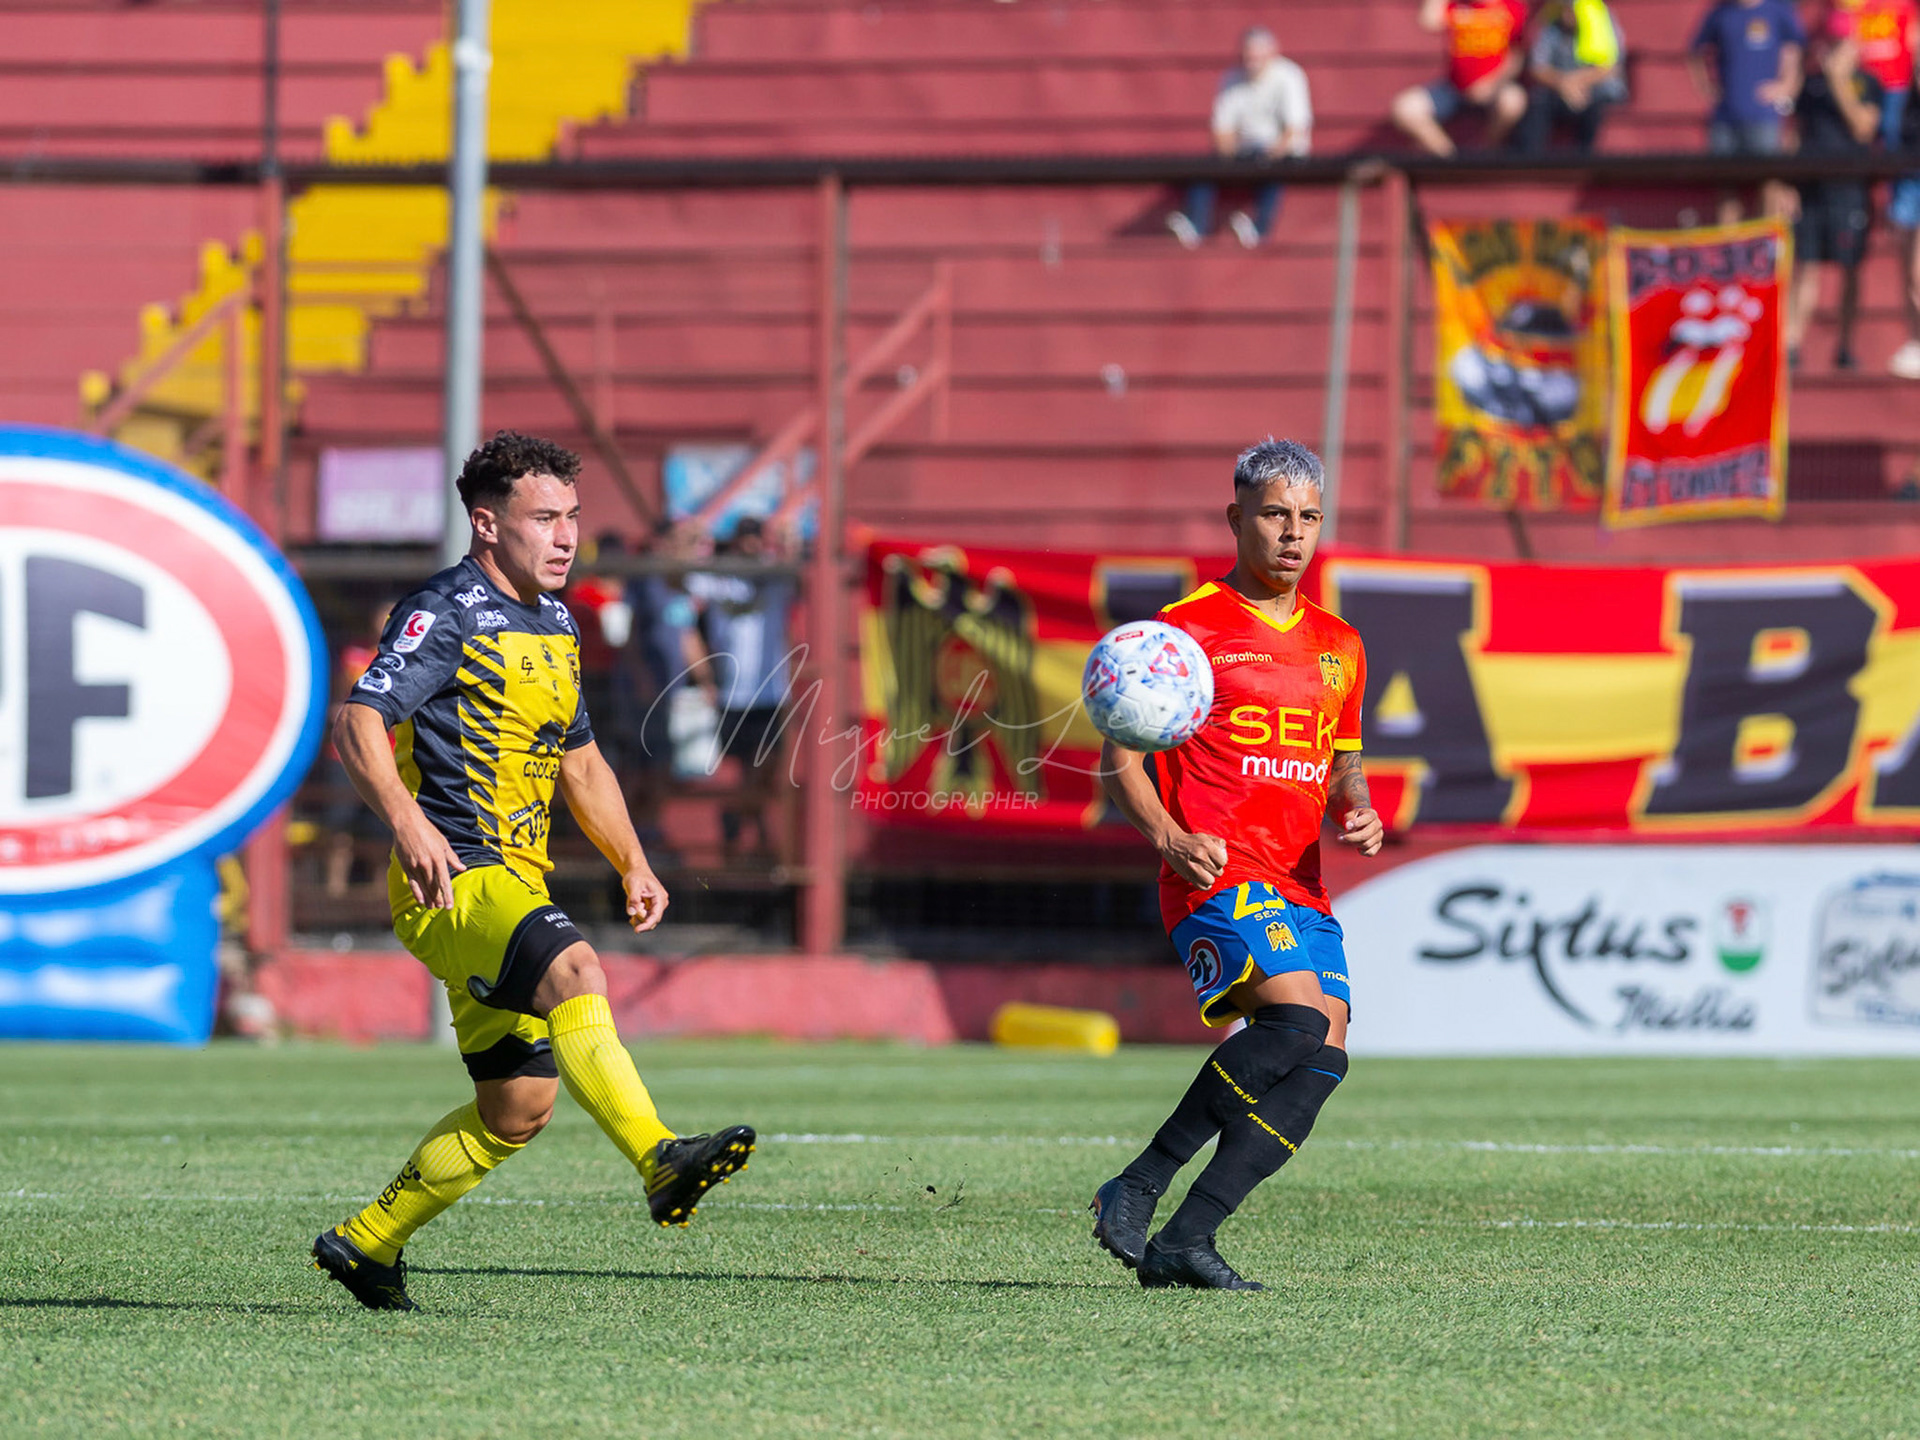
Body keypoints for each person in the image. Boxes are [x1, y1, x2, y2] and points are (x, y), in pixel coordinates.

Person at [311, 432, 755, 1312]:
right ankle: (660, 1159)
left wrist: (634, 860)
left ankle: (365, 1243)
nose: (565, 537)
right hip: (453, 877)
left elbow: (581, 762)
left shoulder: (556, 622)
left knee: (517, 1108)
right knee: (575, 970)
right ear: (487, 524)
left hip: (515, 880)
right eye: (544, 518)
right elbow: (357, 723)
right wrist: (408, 825)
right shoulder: (445, 611)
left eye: (573, 518)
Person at [1088, 439, 1382, 1291]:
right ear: (1236, 519)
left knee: (1324, 1054)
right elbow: (1123, 759)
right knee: (1291, 1027)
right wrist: (1170, 840)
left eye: (1308, 517)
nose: (1293, 533)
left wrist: (1353, 806)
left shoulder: (1340, 644)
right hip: (1216, 872)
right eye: (1275, 514)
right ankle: (1137, 1181)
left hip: (1300, 884)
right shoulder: (1181, 632)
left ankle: (1187, 1239)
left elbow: (1341, 758)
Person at [685, 516, 797, 862]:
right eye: (743, 543)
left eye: (755, 542)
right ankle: (753, 834)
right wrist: (695, 538)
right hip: (732, 694)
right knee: (743, 770)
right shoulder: (720, 579)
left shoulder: (775, 578)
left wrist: (788, 539)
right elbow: (683, 576)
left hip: (772, 694)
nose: (749, 549)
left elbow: (801, 570)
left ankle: (740, 818)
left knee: (769, 771)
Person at [1821, 0, 1920, 376]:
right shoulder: (1856, 7)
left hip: (1899, 90)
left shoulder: (1906, 10)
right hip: (1871, 91)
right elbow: (1840, 30)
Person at [1786, 34, 1885, 369]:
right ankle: (1792, 345)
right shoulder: (1810, 86)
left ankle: (1845, 347)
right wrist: (1786, 184)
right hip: (1811, 188)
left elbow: (1863, 128)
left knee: (1850, 268)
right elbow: (1795, 135)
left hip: (1849, 189)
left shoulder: (1868, 84)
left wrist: (1839, 80)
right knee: (1805, 266)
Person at [1168, 27, 1312, 250]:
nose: (1251, 62)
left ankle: (1259, 228)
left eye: (1257, 56)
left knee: (1272, 169)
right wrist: (1229, 156)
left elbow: (1294, 130)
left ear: (1272, 54)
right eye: (1247, 56)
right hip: (1245, 151)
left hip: (1282, 153)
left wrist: (1270, 154)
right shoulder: (1232, 78)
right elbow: (1221, 130)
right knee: (1203, 168)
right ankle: (1195, 226)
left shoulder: (1289, 76)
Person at [1391, 0, 1531, 158]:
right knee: (1405, 108)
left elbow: (1517, 55)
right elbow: (1428, 20)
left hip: (1494, 87)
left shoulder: (1512, 7)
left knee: (1513, 101)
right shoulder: (1457, 5)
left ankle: (1485, 152)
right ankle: (1449, 157)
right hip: (1454, 87)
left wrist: (1492, 84)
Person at [1689, 0, 1806, 155]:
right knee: (1722, 174)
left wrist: (1786, 85)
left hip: (1763, 116)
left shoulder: (1778, 10)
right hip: (1725, 116)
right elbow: (1695, 51)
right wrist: (1706, 86)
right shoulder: (1720, 12)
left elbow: (1793, 50)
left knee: (1767, 173)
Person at [1517, 0, 1629, 154]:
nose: (1566, 15)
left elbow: (1611, 67)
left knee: (1597, 108)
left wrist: (1575, 83)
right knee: (1539, 102)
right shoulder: (1551, 24)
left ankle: (1585, 161)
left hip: (1596, 92)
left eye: (1571, 10)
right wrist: (1563, 84)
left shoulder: (1602, 20)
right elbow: (1538, 68)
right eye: (1564, 9)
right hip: (1558, 91)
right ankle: (1529, 161)